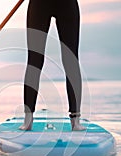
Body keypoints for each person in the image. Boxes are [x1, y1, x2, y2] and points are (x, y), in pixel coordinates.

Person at [19, 0, 86, 131]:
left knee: (71, 60)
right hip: (39, 4)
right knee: (35, 60)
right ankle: (28, 119)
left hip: (67, 5)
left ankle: (76, 120)